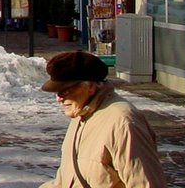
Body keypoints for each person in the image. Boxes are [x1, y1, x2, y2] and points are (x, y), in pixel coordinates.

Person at [39, 50, 167, 188]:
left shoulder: (123, 123)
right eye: (57, 92)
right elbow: (67, 180)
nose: (59, 98)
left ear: (90, 88)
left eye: (65, 90)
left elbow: (145, 183)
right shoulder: (81, 115)